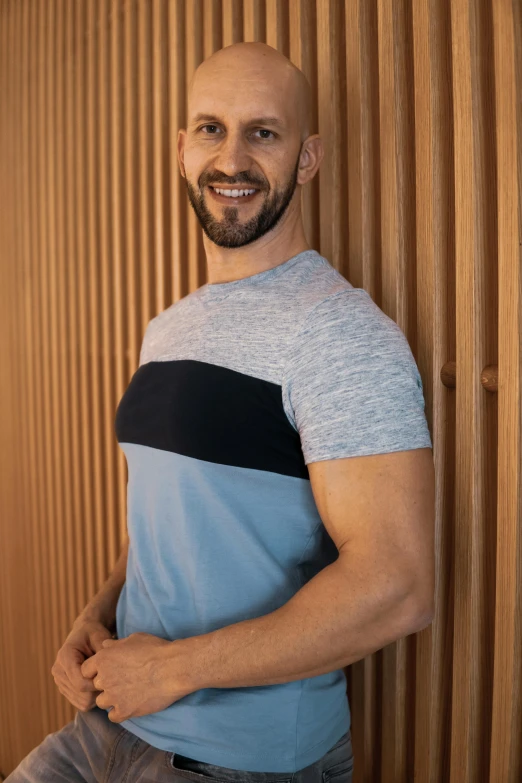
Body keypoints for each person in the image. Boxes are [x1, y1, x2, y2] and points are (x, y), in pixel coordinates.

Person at [7, 40, 435, 782]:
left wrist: (173, 670)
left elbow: (398, 585)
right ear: (182, 150)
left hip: (240, 761)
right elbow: (172, 515)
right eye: (211, 129)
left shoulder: (340, 331)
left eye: (262, 133)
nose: (231, 159)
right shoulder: (168, 326)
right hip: (109, 727)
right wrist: (98, 615)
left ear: (307, 159)